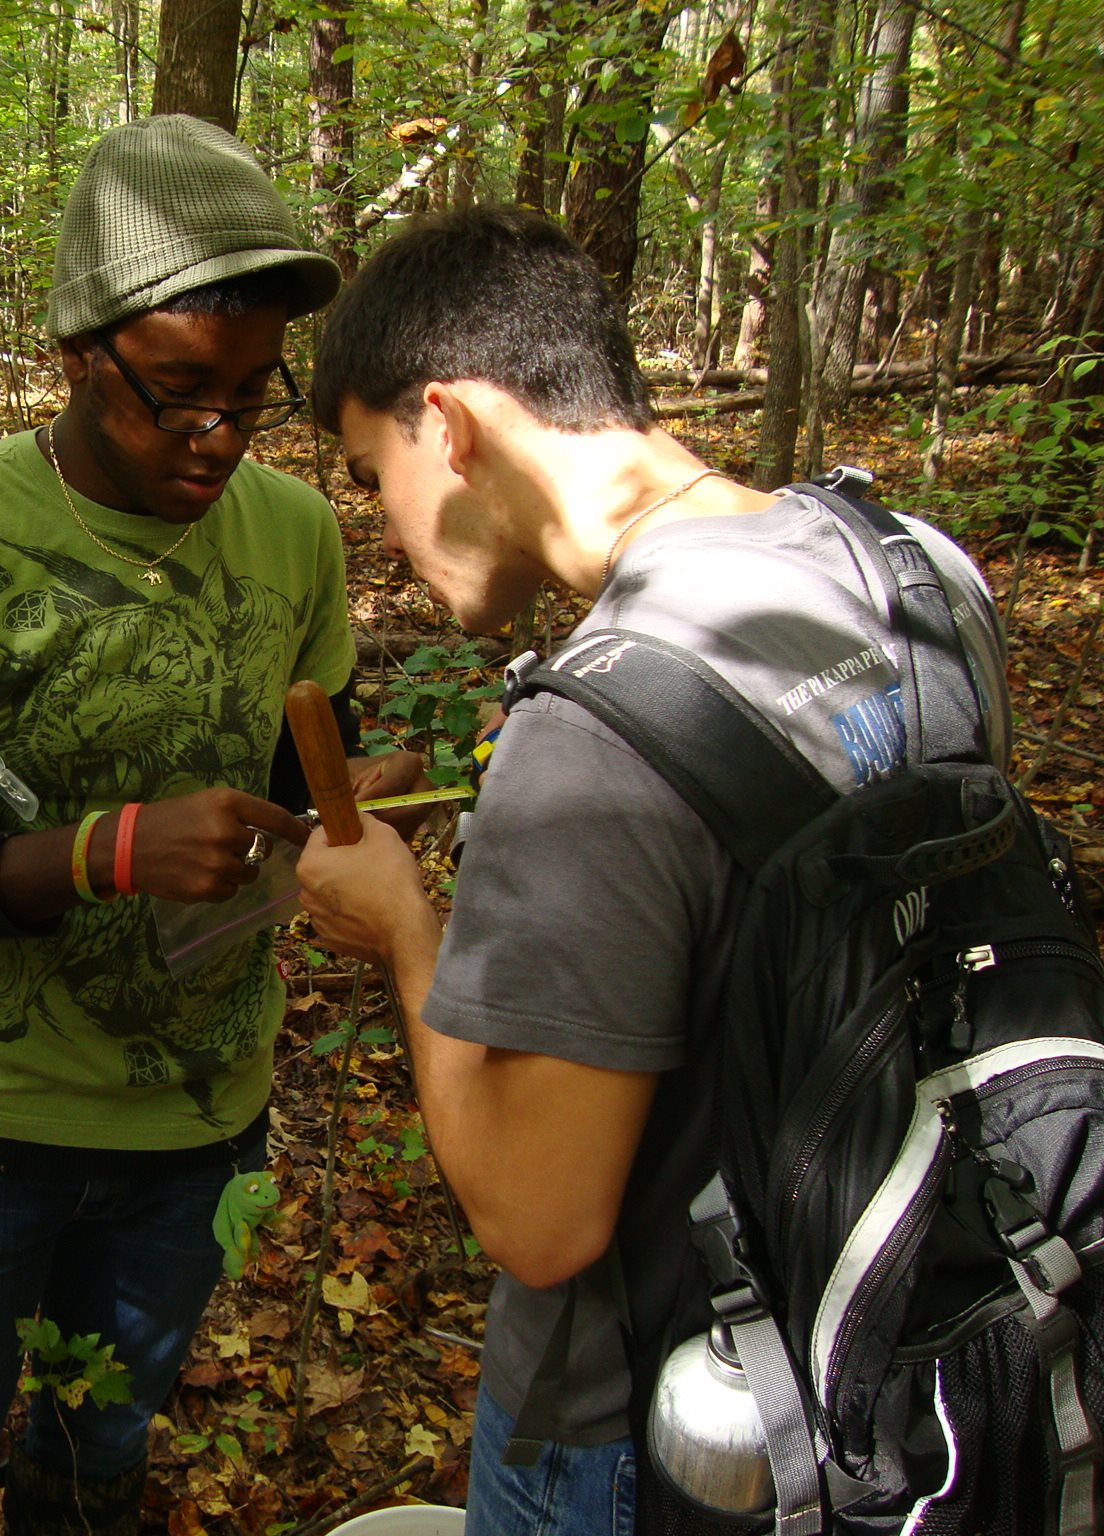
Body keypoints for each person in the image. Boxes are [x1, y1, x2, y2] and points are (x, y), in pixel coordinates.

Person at [292, 205, 1008, 1535]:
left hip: (651, 1436)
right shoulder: (918, 577)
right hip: (928, 1354)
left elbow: (540, 1218)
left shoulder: (592, 740)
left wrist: (407, 932)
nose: (379, 529)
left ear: (449, 426)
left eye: (367, 471)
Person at [0, 115, 429, 1536]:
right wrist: (109, 853)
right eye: (173, 393)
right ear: (79, 356)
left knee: (99, 1464)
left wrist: (351, 812)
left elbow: (302, 762)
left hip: (196, 1123)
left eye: (250, 396)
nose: (217, 438)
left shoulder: (292, 537)